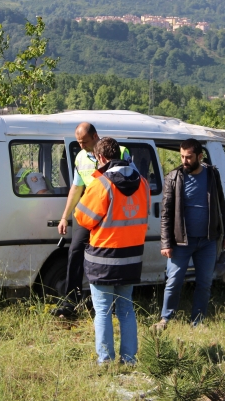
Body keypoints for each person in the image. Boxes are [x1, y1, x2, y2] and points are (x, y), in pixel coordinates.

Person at [74, 137, 150, 364]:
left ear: (100, 157)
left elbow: (83, 218)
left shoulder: (101, 184)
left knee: (103, 310)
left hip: (104, 258)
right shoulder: (143, 183)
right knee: (126, 307)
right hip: (132, 256)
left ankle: (105, 360)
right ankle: (129, 358)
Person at [52, 122, 134, 318]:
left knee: (110, 254)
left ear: (96, 136)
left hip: (112, 212)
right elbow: (76, 187)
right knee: (75, 251)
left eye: (85, 141)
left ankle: (113, 302)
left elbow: (132, 179)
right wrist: (65, 216)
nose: (81, 146)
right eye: (78, 142)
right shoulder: (80, 157)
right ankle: (71, 301)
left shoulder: (121, 151)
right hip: (90, 211)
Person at [154, 138, 225, 330]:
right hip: (181, 242)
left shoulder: (212, 175)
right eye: (182, 156)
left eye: (188, 157)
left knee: (204, 283)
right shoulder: (174, 177)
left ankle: (198, 322)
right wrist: (165, 243)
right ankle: (165, 319)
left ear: (199, 156)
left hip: (207, 241)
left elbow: (222, 204)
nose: (184, 161)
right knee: (173, 281)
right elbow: (166, 213)